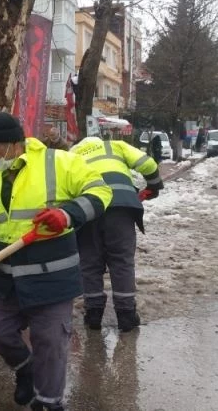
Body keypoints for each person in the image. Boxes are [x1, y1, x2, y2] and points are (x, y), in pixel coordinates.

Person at [0, 113, 112, 411]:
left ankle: (49, 402)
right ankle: (25, 367)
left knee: (50, 342)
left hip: (51, 279)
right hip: (4, 281)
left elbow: (100, 192)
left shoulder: (60, 162)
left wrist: (66, 214)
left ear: (17, 144)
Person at [70, 137, 163, 332]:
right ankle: (126, 315)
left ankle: (93, 315)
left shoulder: (72, 155)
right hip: (121, 207)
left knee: (90, 263)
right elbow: (148, 164)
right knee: (121, 261)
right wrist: (154, 187)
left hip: (89, 210)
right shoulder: (114, 146)